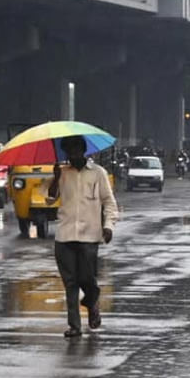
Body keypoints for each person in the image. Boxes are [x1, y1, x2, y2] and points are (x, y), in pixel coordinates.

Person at [48, 135, 120, 338]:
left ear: (83, 150)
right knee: (70, 282)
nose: (72, 155)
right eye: (68, 152)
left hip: (90, 235)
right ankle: (74, 325)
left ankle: (91, 302)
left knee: (87, 279)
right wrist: (54, 177)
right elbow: (50, 197)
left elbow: (109, 202)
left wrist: (108, 226)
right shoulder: (61, 173)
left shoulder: (98, 173)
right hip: (65, 235)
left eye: (75, 150)